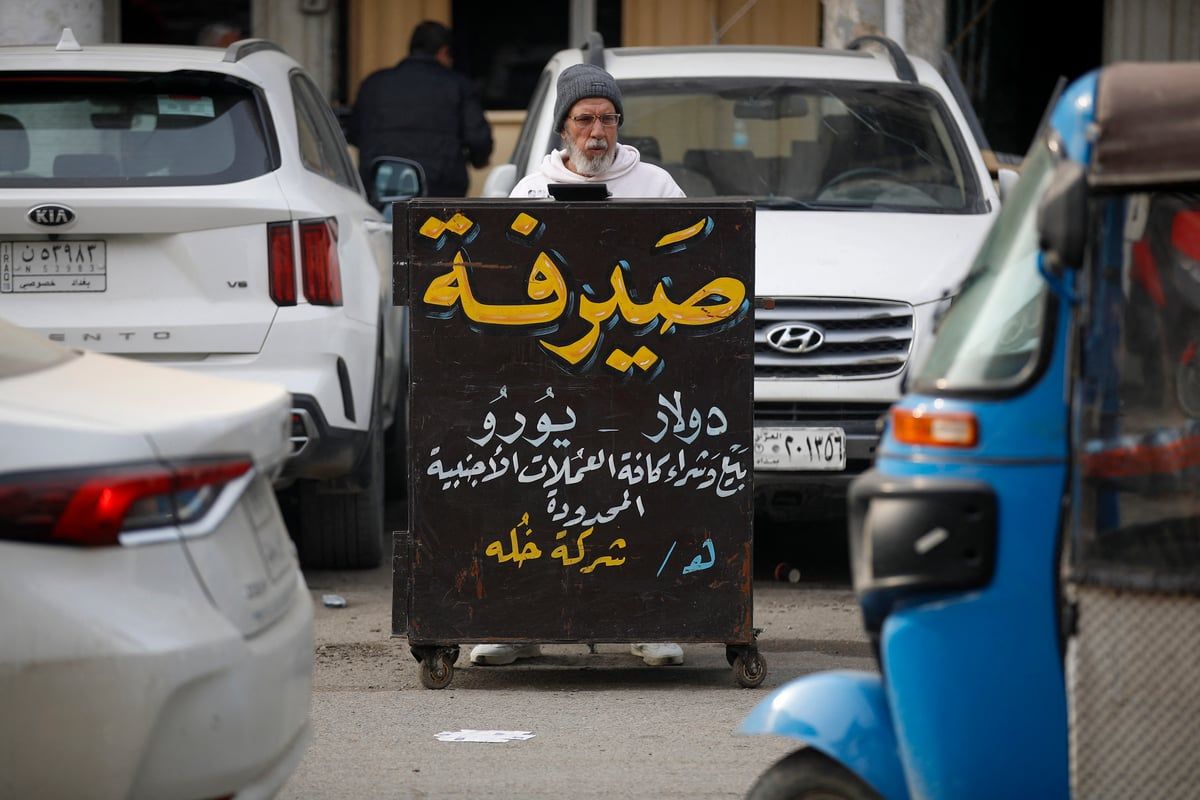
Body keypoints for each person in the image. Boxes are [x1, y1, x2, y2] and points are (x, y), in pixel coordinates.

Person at [470, 63, 686, 669]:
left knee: (636, 495)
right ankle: (518, 628)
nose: (598, 132)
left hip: (632, 374)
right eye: (585, 119)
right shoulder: (529, 193)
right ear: (563, 126)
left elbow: (691, 269)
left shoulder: (657, 187)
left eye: (608, 119)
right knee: (535, 497)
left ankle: (648, 627)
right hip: (546, 384)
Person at [348, 21, 492, 198]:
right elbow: (478, 139)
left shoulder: (373, 84)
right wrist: (479, 160)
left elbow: (354, 133)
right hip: (439, 191)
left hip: (381, 186)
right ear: (444, 52)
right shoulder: (457, 85)